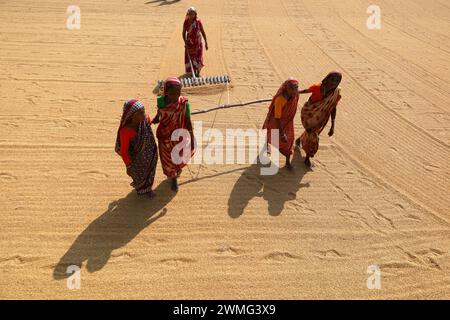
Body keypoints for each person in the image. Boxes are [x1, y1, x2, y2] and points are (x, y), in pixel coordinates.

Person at [153, 77, 195, 191]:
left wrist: (192, 136)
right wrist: (156, 118)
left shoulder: (184, 103)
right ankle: (173, 178)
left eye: (178, 93)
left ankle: (176, 171)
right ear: (166, 92)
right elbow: (160, 113)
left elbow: (187, 121)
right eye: (172, 93)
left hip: (179, 135)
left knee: (180, 157)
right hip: (165, 136)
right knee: (167, 160)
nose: (175, 96)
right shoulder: (161, 101)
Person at [296, 72, 342, 167]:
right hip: (308, 114)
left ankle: (302, 143)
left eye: (337, 81)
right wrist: (293, 93)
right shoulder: (317, 87)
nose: (334, 82)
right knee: (313, 136)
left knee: (312, 134)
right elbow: (305, 91)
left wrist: (332, 125)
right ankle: (307, 157)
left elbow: (333, 108)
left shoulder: (336, 93)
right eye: (332, 79)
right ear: (327, 79)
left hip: (321, 117)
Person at [115, 100, 158, 197]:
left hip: (151, 154)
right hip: (136, 159)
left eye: (144, 111)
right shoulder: (125, 131)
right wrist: (128, 166)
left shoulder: (145, 119)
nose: (144, 114)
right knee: (139, 176)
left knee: (150, 173)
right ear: (133, 116)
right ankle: (142, 188)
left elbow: (150, 122)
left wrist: (158, 116)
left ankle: (148, 188)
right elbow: (124, 151)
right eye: (141, 113)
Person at [263, 78, 300, 169]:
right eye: (291, 88)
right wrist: (282, 134)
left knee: (289, 142)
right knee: (271, 135)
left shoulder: (296, 95)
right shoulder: (280, 100)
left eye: (296, 88)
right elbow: (277, 118)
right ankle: (266, 145)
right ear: (286, 88)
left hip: (288, 122)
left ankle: (287, 161)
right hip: (277, 123)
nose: (294, 91)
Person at [182, 7, 208, 77]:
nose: (191, 15)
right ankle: (192, 72)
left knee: (199, 58)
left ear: (195, 14)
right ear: (188, 14)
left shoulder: (198, 21)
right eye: (190, 14)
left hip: (198, 43)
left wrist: (206, 42)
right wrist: (185, 42)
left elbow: (202, 31)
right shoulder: (186, 22)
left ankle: (198, 72)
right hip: (190, 43)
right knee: (191, 58)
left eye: (193, 14)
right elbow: (183, 33)